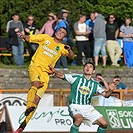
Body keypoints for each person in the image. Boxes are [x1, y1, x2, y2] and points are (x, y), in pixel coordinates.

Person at [14, 27, 74, 133]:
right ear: (56, 32)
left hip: (46, 74)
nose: (60, 33)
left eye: (63, 33)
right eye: (59, 31)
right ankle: (28, 107)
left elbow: (72, 57)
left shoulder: (61, 47)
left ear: (64, 37)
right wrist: (23, 36)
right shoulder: (46, 38)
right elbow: (30, 38)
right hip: (35, 67)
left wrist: (69, 49)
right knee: (36, 84)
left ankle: (22, 126)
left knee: (37, 100)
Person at [49, 61, 115, 133]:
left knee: (104, 123)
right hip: (75, 105)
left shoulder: (95, 84)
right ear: (83, 69)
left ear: (93, 71)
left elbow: (106, 95)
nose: (88, 67)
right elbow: (62, 75)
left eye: (90, 67)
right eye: (86, 66)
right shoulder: (76, 78)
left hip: (88, 107)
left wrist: (111, 90)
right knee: (78, 119)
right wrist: (54, 71)